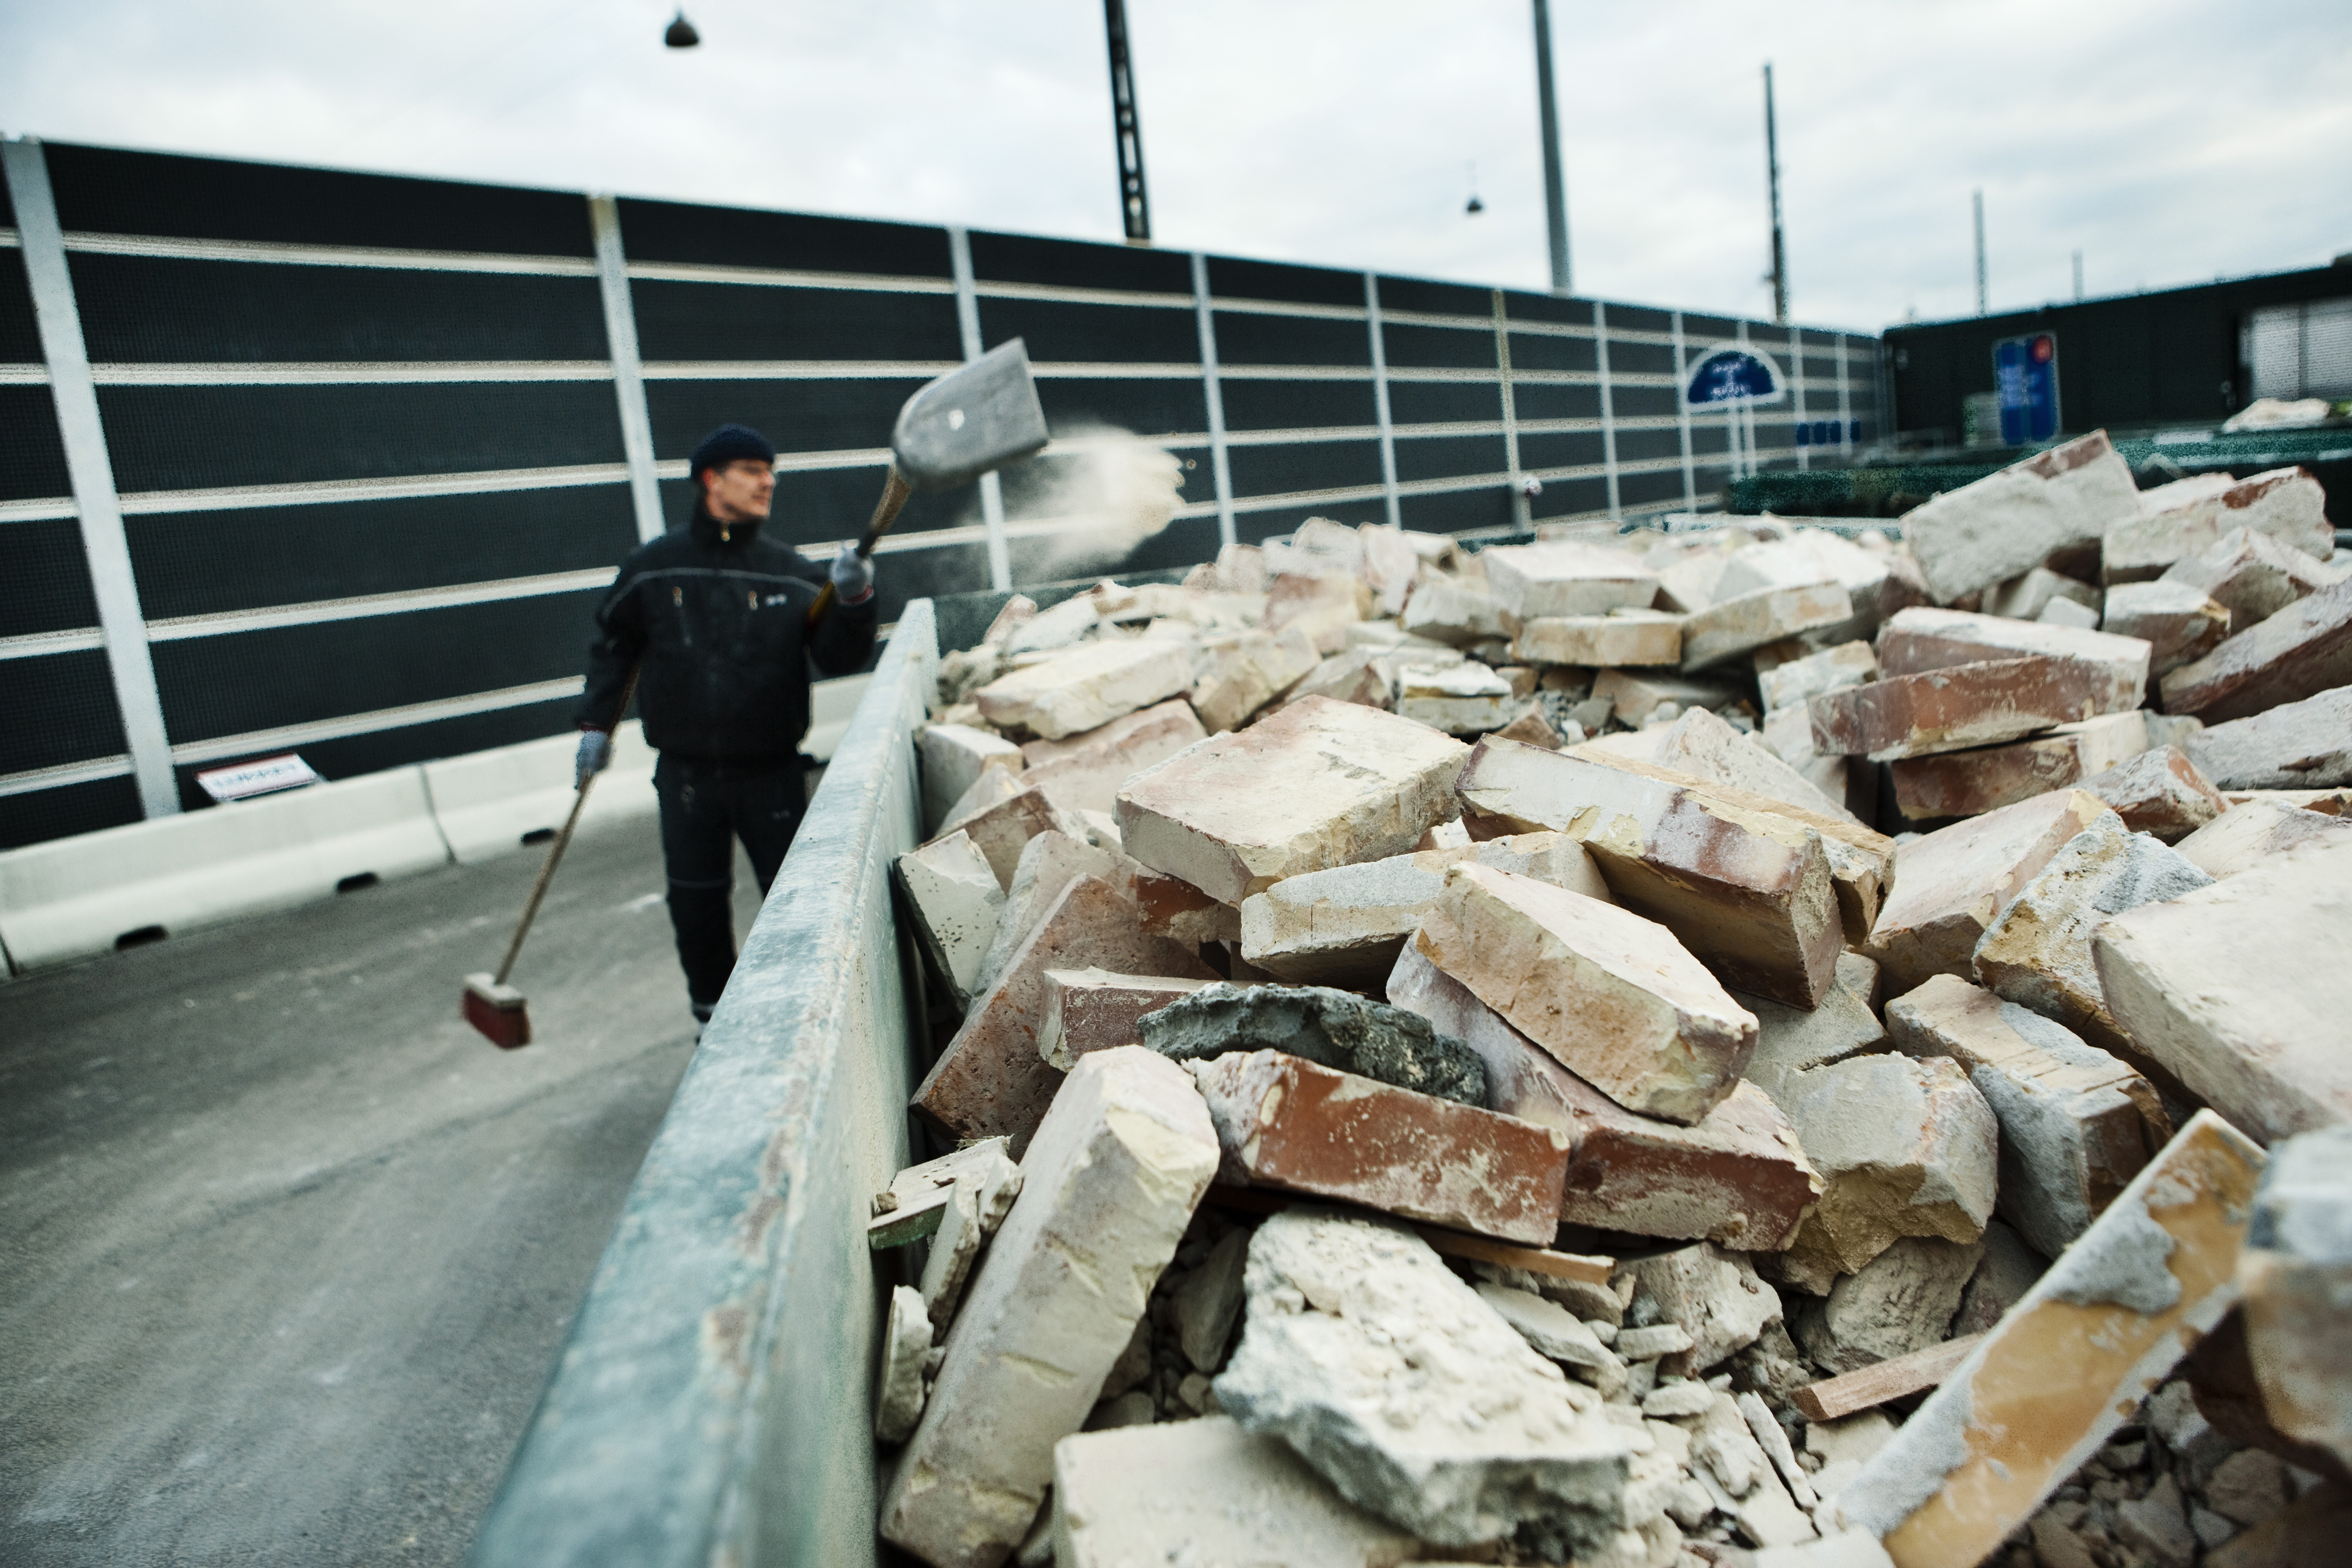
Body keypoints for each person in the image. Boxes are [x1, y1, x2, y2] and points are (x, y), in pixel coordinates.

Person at [574, 423, 878, 1023]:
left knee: (795, 906)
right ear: (711, 480)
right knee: (697, 904)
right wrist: (594, 724)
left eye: (771, 471)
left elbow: (840, 658)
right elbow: (615, 649)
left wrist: (855, 603)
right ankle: (710, 1019)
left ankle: (806, 1018)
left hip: (772, 774)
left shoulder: (791, 574)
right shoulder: (653, 570)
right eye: (751, 469)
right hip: (687, 778)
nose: (768, 481)